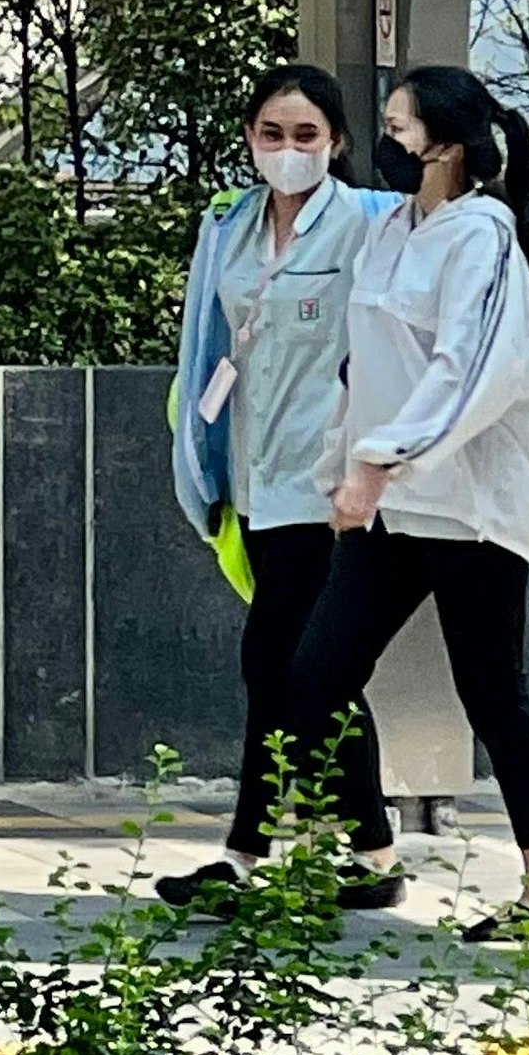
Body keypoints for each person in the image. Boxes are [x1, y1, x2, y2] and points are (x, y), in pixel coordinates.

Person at [276, 64, 529, 942]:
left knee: (493, 692)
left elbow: (469, 371)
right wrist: (344, 466)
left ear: (445, 143)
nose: (389, 140)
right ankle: (368, 853)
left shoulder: (483, 236)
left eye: (401, 126)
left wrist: (378, 461)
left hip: (473, 507)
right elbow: (361, 364)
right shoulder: (393, 231)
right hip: (396, 507)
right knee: (317, 674)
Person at [158, 66, 409, 911]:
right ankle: (371, 851)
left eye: (306, 135)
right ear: (250, 138)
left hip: (329, 484)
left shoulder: (370, 223)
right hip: (254, 478)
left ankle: (245, 854)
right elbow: (207, 341)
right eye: (272, 133)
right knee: (310, 669)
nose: (289, 150)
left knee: (279, 661)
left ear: (336, 141)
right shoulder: (228, 225)